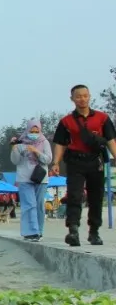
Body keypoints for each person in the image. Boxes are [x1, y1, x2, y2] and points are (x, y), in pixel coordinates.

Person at [51, 85, 116, 246]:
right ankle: (73, 230)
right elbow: (60, 143)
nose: (82, 99)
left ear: (89, 96)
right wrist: (56, 163)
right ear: (72, 99)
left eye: (85, 96)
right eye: (78, 96)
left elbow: (110, 140)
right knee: (74, 195)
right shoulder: (66, 121)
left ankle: (94, 232)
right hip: (75, 162)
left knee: (96, 197)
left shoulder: (102, 118)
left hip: (96, 162)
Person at [11, 118, 53, 241]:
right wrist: (14, 148)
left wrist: (36, 152)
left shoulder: (44, 142)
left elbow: (48, 159)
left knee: (39, 205)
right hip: (24, 178)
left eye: (36, 131)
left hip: (40, 178)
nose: (34, 134)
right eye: (32, 131)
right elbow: (15, 161)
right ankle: (30, 231)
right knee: (29, 205)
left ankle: (39, 231)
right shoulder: (20, 144)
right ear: (27, 130)